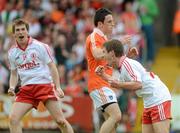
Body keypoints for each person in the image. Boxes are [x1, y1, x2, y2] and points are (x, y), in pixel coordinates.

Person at [7, 18, 74, 133]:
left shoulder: (40, 46)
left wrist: (57, 87)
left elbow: (52, 67)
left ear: (27, 32)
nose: (20, 32)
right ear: (14, 34)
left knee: (60, 121)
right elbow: (14, 73)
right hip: (26, 89)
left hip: (44, 86)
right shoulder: (12, 52)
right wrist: (12, 87)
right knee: (13, 120)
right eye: (17, 30)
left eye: (23, 29)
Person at [95, 39, 172, 133]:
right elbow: (118, 82)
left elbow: (138, 84)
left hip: (158, 98)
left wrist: (119, 84)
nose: (102, 56)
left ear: (112, 53)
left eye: (104, 52)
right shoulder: (122, 67)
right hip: (149, 102)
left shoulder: (126, 65)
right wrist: (103, 75)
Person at [85, 8, 138, 133]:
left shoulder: (105, 40)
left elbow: (113, 64)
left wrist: (128, 56)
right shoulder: (94, 36)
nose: (113, 24)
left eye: (113, 21)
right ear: (100, 24)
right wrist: (117, 43)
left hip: (105, 83)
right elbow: (97, 54)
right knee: (116, 115)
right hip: (98, 84)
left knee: (112, 127)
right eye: (109, 21)